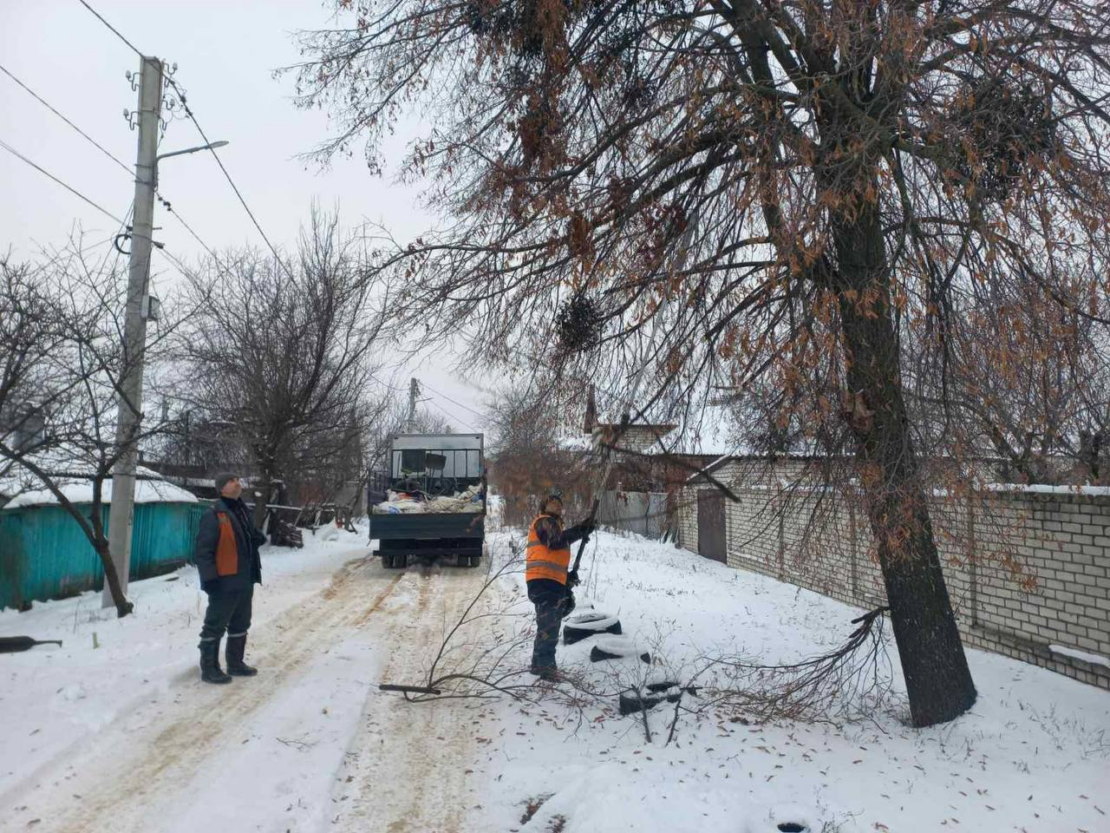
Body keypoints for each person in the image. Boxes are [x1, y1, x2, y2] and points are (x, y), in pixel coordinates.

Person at [194, 473, 267, 684]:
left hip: (245, 578)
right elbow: (203, 551)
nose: (237, 483)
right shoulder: (214, 514)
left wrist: (256, 537)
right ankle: (209, 669)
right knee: (215, 624)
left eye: (237, 480)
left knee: (241, 622)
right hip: (224, 580)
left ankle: (235, 663)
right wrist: (210, 579)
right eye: (231, 481)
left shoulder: (243, 510)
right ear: (222, 488)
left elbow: (244, 538)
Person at [526, 494, 596, 681]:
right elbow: (555, 542)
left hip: (551, 581)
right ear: (544, 506)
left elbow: (554, 554)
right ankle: (546, 669)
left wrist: (567, 578)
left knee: (551, 620)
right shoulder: (544, 521)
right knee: (549, 624)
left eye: (559, 504)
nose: (557, 506)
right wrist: (581, 529)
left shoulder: (555, 527)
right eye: (552, 503)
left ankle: (537, 664)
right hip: (542, 581)